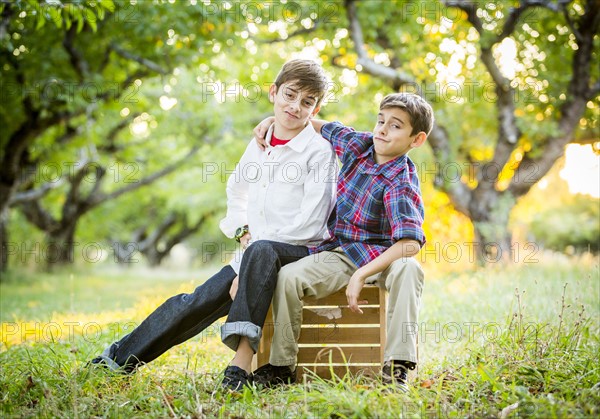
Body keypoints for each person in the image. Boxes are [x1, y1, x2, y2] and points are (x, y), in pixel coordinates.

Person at [89, 59, 337, 391]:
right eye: (289, 95)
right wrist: (242, 234)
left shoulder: (319, 152)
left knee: (261, 254)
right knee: (193, 302)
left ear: (316, 108)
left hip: (299, 254)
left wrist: (252, 261)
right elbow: (237, 191)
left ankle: (239, 366)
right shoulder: (260, 142)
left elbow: (311, 223)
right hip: (255, 250)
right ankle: (116, 358)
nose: (295, 106)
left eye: (307, 102)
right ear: (273, 92)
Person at [251, 92, 434, 391]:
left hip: (381, 257)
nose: (383, 130)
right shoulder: (358, 144)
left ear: (416, 139)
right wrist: (273, 121)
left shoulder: (401, 178)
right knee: (288, 276)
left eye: (396, 126)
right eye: (381, 120)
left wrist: (363, 273)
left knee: (410, 269)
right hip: (340, 251)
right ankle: (282, 366)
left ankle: (397, 367)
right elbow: (314, 123)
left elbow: (410, 243)